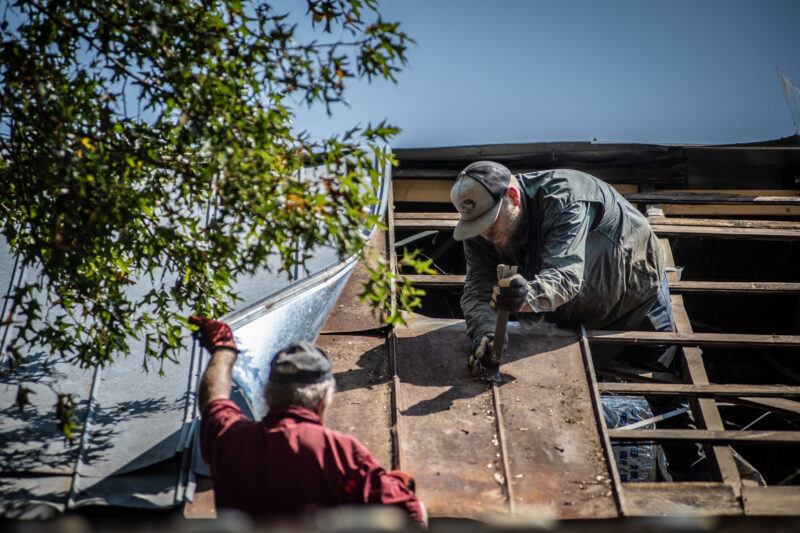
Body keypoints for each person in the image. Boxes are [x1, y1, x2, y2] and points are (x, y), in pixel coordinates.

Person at [190, 316, 427, 524]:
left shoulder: (230, 438)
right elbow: (412, 513)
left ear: (267, 394)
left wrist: (224, 350)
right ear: (323, 399)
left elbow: (213, 399)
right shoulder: (341, 452)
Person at [449, 160, 676, 375]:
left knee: (656, 372)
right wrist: (486, 332)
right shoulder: (479, 231)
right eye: (477, 224)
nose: (484, 232)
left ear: (513, 196)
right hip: (568, 313)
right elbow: (479, 290)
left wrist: (527, 295)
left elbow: (565, 276)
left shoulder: (565, 199)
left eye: (490, 220)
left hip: (635, 291)